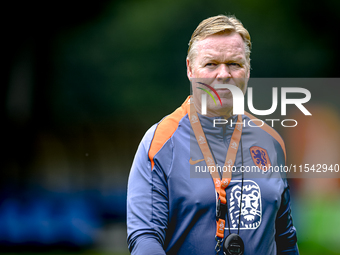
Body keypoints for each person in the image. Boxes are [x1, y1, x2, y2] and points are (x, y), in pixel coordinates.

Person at [127, 15, 299, 255]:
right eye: (211, 64)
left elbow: (285, 238)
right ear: (190, 69)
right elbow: (145, 238)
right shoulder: (160, 142)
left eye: (234, 64)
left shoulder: (271, 140)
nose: (223, 74)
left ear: (248, 70)